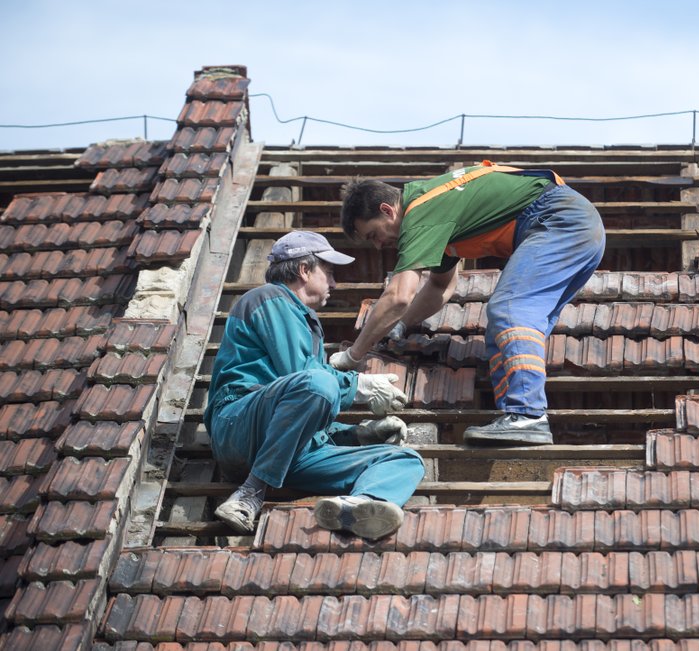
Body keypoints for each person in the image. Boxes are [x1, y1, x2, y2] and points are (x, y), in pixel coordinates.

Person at [330, 161, 606, 446]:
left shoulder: (420, 212)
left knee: (510, 309)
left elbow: (400, 295)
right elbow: (441, 286)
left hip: (558, 220)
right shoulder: (437, 213)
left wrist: (354, 354)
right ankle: (514, 416)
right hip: (574, 225)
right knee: (500, 329)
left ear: (387, 211)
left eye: (374, 235)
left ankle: (528, 416)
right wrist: (400, 324)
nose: (378, 245)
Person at [204, 231, 425, 539]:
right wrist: (357, 386)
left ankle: (359, 506)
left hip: (287, 452)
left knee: (405, 460)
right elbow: (305, 380)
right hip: (240, 430)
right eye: (329, 272)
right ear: (304, 271)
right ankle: (250, 492)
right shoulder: (270, 298)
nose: (334, 284)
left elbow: (300, 414)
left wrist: (356, 435)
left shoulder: (307, 323)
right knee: (319, 382)